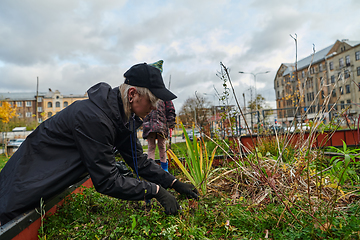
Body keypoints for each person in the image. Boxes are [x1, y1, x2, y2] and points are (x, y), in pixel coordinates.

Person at [0, 62, 199, 226]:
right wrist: (155, 191)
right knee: (8, 219)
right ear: (132, 95)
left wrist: (173, 183)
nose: (155, 107)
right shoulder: (93, 118)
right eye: (152, 100)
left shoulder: (122, 118)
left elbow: (138, 160)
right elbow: (107, 181)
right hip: (26, 181)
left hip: (47, 178)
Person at [142, 60, 176, 172]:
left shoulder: (162, 94)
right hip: (150, 125)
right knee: (152, 147)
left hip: (160, 125)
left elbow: (170, 108)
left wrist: (171, 122)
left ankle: (163, 169)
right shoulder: (146, 93)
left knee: (161, 146)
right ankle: (152, 169)